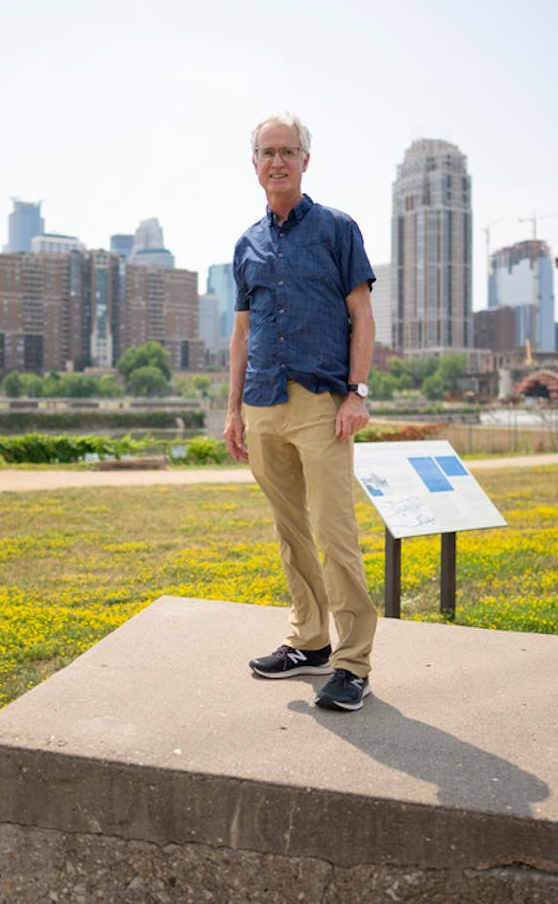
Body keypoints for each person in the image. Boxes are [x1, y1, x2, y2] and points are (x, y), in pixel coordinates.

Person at [223, 112, 378, 712]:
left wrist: (356, 393)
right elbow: (241, 335)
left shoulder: (338, 230)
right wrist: (233, 412)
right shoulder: (247, 244)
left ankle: (353, 663)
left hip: (321, 404)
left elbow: (361, 315)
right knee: (289, 533)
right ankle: (310, 642)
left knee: (336, 534)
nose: (278, 161)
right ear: (255, 164)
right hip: (262, 406)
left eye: (289, 151)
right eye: (268, 152)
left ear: (305, 161)